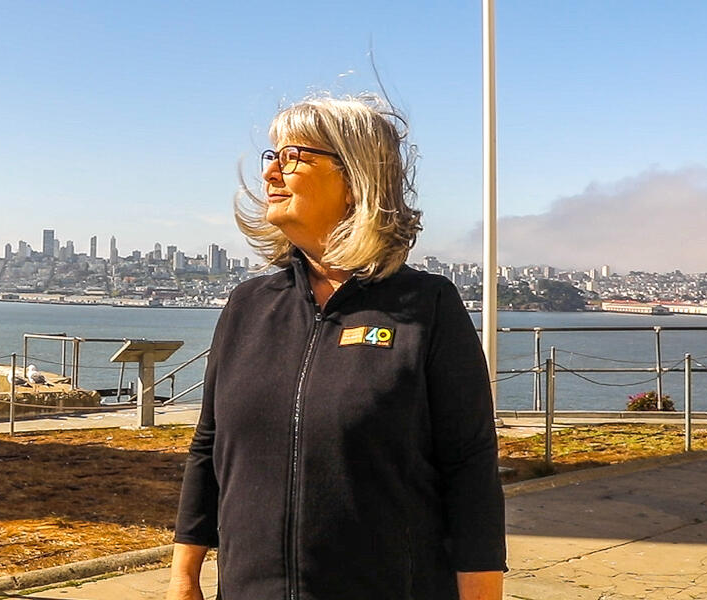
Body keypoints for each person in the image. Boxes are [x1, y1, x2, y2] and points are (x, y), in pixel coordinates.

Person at [168, 94, 507, 600]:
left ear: (355, 178)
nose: (270, 175)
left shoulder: (428, 306)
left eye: (292, 157)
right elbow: (209, 447)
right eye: (271, 157)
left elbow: (470, 465)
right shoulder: (248, 304)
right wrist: (183, 577)